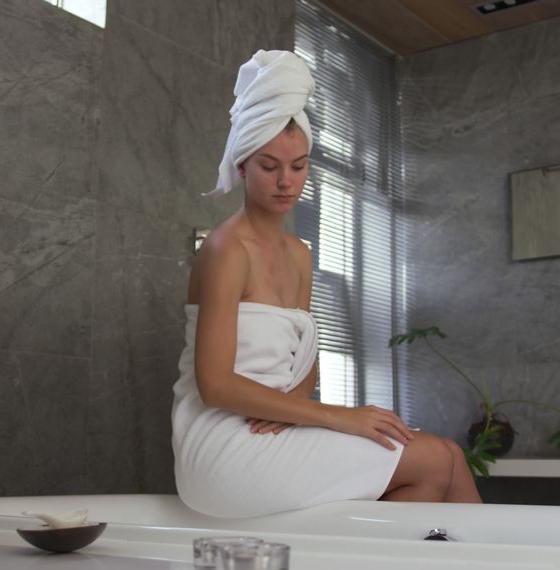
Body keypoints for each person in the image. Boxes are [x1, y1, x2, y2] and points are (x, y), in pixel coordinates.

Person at [171, 50, 481, 518]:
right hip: (222, 446)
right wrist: (338, 417)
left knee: (446, 461)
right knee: (437, 457)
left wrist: (291, 407)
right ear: (242, 166)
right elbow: (213, 385)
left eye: (298, 166)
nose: (285, 181)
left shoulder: (300, 255)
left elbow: (303, 364)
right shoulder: (225, 250)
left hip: (275, 426)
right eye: (269, 165)